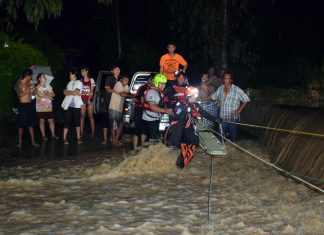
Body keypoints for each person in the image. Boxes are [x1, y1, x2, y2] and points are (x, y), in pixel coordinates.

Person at [211, 71, 250, 142]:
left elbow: (246, 99)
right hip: (222, 117)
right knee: (220, 138)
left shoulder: (236, 89)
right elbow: (213, 97)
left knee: (233, 138)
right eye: (225, 78)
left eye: (228, 78)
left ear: (231, 80)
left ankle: (233, 149)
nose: (226, 80)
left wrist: (239, 110)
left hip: (233, 118)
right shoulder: (220, 88)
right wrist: (217, 101)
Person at [142, 74, 173, 143]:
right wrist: (166, 111)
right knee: (154, 140)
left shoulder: (158, 92)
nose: (163, 86)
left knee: (154, 139)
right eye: (161, 84)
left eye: (164, 84)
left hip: (153, 118)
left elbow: (161, 104)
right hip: (150, 119)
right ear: (156, 83)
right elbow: (152, 107)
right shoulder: (152, 92)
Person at [15, 69, 39, 148]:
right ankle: (19, 142)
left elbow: (33, 94)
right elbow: (21, 95)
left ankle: (33, 142)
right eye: (31, 75)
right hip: (22, 106)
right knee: (21, 125)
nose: (32, 77)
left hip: (29, 105)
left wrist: (35, 89)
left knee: (31, 124)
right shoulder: (19, 84)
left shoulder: (30, 83)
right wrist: (29, 87)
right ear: (27, 76)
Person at [132, 74, 154, 154]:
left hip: (148, 111)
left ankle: (142, 148)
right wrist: (153, 105)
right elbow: (142, 100)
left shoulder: (154, 89)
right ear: (149, 80)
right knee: (137, 129)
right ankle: (134, 149)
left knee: (144, 130)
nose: (155, 82)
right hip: (139, 110)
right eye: (154, 80)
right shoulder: (143, 88)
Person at [61, 68, 83, 145]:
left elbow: (76, 92)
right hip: (68, 105)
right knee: (66, 121)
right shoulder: (69, 83)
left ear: (74, 75)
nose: (69, 76)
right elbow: (64, 92)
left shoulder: (79, 83)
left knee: (77, 121)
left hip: (76, 105)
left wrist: (69, 92)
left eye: (70, 74)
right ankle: (64, 138)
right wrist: (72, 92)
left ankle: (78, 137)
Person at [35, 73, 59, 141]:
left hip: (49, 107)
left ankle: (53, 135)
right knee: (42, 120)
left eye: (44, 76)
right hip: (41, 107)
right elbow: (40, 95)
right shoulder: (37, 87)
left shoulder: (48, 86)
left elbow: (53, 94)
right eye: (43, 76)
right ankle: (43, 135)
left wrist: (48, 93)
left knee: (51, 120)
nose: (45, 77)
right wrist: (49, 97)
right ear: (39, 79)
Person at [108, 76, 130, 146]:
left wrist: (129, 94)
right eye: (125, 80)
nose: (126, 82)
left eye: (127, 81)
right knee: (114, 125)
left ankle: (116, 140)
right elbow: (122, 94)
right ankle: (114, 141)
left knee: (120, 125)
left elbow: (128, 93)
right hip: (113, 107)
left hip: (119, 108)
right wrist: (132, 95)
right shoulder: (118, 84)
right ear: (121, 80)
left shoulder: (125, 86)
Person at [102, 66, 121, 145]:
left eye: (119, 69)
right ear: (112, 71)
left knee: (115, 121)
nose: (118, 71)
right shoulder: (109, 78)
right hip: (108, 101)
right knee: (106, 120)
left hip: (117, 103)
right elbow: (107, 89)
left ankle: (113, 138)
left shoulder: (121, 79)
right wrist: (116, 92)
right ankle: (105, 138)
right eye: (116, 70)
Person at [80, 66, 96, 138]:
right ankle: (81, 132)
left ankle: (93, 132)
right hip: (82, 100)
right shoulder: (80, 80)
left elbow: (92, 91)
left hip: (90, 100)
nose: (82, 72)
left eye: (83, 71)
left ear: (87, 71)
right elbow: (79, 91)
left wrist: (89, 100)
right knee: (82, 116)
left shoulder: (91, 80)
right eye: (81, 71)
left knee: (90, 116)